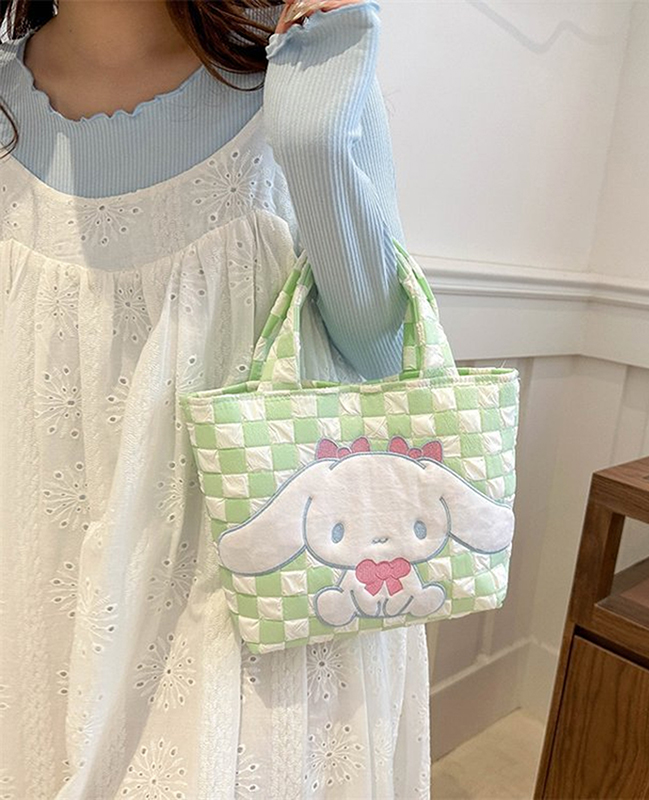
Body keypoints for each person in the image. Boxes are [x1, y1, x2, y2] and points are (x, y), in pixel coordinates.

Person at [0, 0, 431, 797]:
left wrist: (316, 141)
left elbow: (381, 359)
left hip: (239, 614)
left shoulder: (299, 60)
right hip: (33, 593)